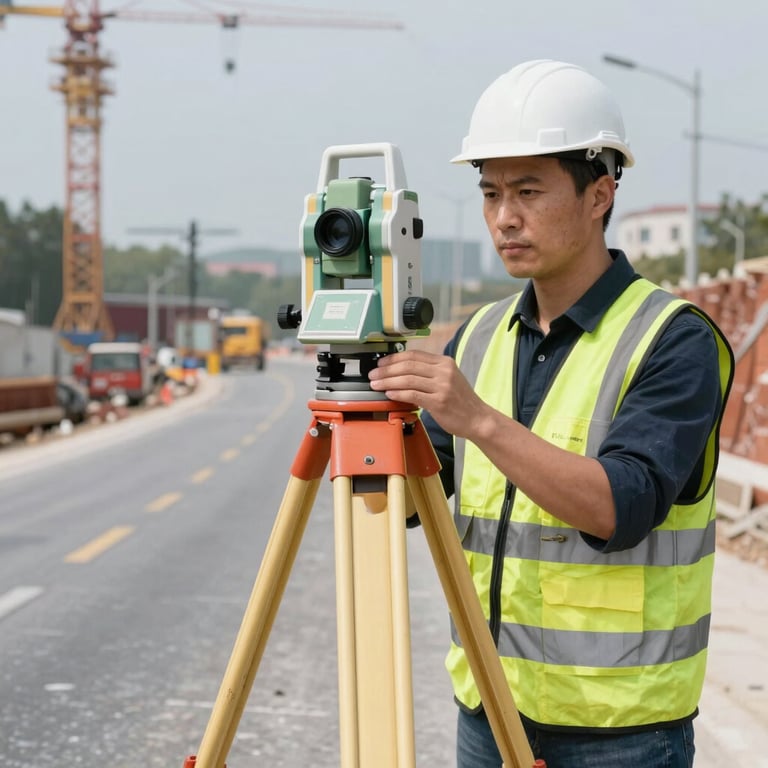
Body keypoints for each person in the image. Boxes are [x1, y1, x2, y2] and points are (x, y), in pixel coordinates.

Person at [367, 59, 734, 768]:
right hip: (489, 710)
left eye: (529, 190)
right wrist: (368, 427)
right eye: (492, 192)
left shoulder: (672, 338)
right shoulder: (477, 336)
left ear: (600, 194)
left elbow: (619, 508)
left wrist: (479, 420)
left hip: (621, 732)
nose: (505, 216)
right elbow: (414, 502)